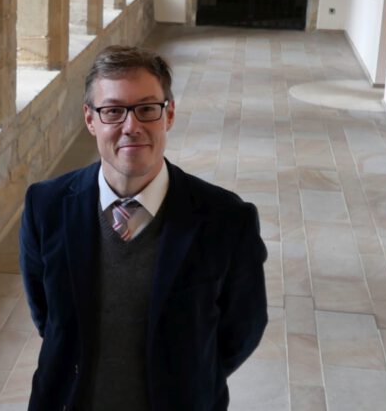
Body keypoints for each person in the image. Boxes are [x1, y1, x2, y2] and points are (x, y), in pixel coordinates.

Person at [20, 45, 268, 410]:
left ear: (168, 115)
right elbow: (48, 316)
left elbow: (243, 327)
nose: (131, 126)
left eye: (147, 109)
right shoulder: (46, 206)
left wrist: (191, 378)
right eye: (113, 111)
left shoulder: (227, 219)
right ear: (90, 120)